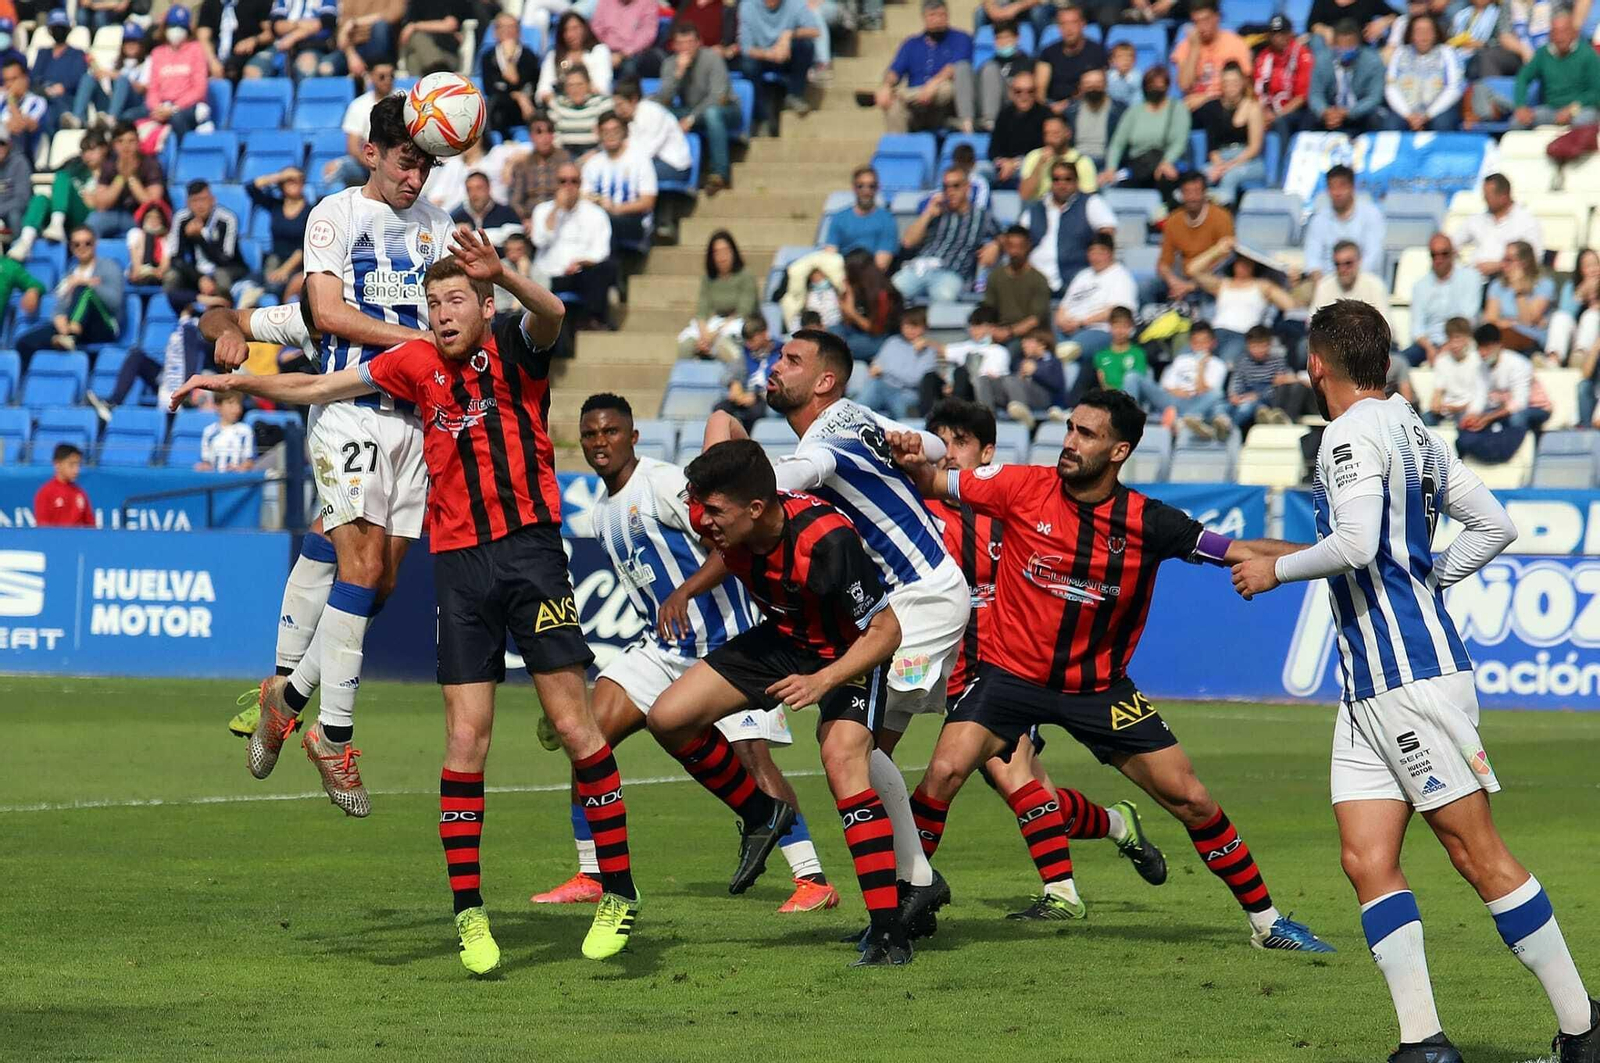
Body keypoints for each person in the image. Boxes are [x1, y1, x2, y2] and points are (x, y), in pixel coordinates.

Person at [175, 233, 644, 974]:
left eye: (456, 299)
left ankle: (618, 890)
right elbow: (323, 388)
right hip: (457, 567)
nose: (442, 313)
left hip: (531, 557)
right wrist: (239, 386)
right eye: (433, 303)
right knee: (464, 743)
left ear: (487, 306)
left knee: (572, 723)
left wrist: (506, 273)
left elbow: (552, 312)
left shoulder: (519, 349)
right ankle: (470, 916)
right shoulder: (415, 362)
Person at [1229, 297, 1599, 1063]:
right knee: (1366, 857)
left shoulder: (1348, 432)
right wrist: (1431, 580)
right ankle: (1423, 1043)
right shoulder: (1414, 430)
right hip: (1371, 687)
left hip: (1410, 679)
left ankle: (1583, 1030)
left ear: (1316, 365)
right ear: (1385, 362)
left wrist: (1276, 569)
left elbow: (1359, 542)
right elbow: (1496, 523)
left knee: (1477, 852)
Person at [887, 389, 1335, 952]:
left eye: (1087, 435)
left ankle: (1268, 925)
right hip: (1009, 678)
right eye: (1070, 429)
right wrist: (910, 458)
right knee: (942, 776)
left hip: (1099, 691)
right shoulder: (1020, 485)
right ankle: (893, 916)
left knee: (1192, 800)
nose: (1070, 443)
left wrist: (1332, 557)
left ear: (1119, 450)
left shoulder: (1150, 520)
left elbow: (1238, 549)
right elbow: (933, 483)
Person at [699, 328, 976, 962]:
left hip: (916, 599)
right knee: (864, 748)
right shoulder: (854, 414)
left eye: (791, 361)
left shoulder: (821, 442)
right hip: (912, 594)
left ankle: (916, 886)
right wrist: (919, 443)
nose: (775, 367)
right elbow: (930, 444)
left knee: (851, 745)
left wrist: (742, 491)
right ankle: (916, 882)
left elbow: (804, 470)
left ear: (825, 380)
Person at [528, 394, 840, 914]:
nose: (599, 442)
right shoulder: (603, 511)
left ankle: (812, 879)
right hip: (661, 649)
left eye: (610, 432)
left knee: (751, 757)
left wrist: (687, 590)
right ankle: (591, 871)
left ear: (633, 437)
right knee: (587, 737)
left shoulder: (666, 484)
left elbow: (729, 545)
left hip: (727, 643)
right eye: (590, 435)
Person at [228, 93, 449, 821]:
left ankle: (283, 694)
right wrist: (413, 345)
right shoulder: (337, 213)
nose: (417, 179)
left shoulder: (439, 226)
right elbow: (323, 314)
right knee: (356, 568)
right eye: (409, 162)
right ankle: (334, 733)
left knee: (379, 585)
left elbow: (449, 314)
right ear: (374, 154)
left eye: (428, 167)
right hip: (350, 407)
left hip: (416, 423)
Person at [637, 438, 908, 964]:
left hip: (848, 653)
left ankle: (888, 930)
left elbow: (886, 630)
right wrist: (689, 589)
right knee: (668, 718)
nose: (702, 520)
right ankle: (764, 813)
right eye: (700, 506)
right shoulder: (734, 524)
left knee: (841, 760)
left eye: (713, 510)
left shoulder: (828, 543)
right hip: (784, 641)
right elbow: (726, 550)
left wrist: (824, 680)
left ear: (757, 509)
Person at [920, 398, 1168, 916]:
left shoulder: (1010, 509)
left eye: (959, 443)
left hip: (1008, 674)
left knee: (1012, 777)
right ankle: (1117, 824)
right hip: (952, 676)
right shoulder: (922, 517)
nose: (947, 453)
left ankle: (1061, 892)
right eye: (938, 441)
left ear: (987, 452)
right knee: (1026, 786)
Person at [893, 166, 1001, 303]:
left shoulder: (982, 217)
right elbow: (908, 242)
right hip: (919, 268)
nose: (950, 191)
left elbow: (1005, 237)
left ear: (967, 188)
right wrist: (927, 214)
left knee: (945, 298)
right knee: (889, 295)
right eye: (946, 187)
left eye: (956, 186)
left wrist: (996, 245)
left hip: (951, 273)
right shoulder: (936, 213)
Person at [16, 226, 124, 362]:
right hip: (70, 327)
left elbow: (115, 302)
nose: (82, 247)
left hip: (103, 326)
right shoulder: (70, 274)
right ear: (71, 248)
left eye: (87, 243)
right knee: (24, 343)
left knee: (82, 290)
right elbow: (60, 306)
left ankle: (70, 337)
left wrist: (87, 283)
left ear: (95, 244)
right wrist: (59, 318)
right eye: (76, 244)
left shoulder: (109, 267)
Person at [656, 19, 740, 195]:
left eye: (689, 43)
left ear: (698, 42)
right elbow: (663, 100)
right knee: (659, 114)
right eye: (680, 43)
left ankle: (719, 173)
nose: (685, 47)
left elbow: (718, 96)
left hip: (725, 110)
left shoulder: (712, 58)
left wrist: (692, 118)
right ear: (674, 45)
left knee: (711, 114)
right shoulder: (670, 64)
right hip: (690, 110)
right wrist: (677, 74)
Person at [1184, 237, 1299, 364]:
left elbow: (1290, 305)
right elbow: (1193, 270)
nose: (1242, 266)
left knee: (1223, 363)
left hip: (1242, 335)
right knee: (1184, 359)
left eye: (1247, 263)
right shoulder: (1222, 284)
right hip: (1216, 332)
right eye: (1239, 261)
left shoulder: (1263, 286)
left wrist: (1290, 281)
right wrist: (1217, 250)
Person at [533, 161, 615, 329]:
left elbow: (601, 251)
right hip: (549, 274)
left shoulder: (595, 213)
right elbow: (539, 240)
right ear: (555, 184)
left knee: (607, 268)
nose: (568, 186)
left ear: (580, 183)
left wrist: (581, 262)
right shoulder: (542, 210)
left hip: (579, 273)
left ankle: (592, 320)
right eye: (562, 181)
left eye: (573, 181)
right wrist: (557, 208)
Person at [1122, 321, 1234, 439]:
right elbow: (1165, 385)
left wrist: (1201, 367)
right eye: (1196, 342)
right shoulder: (1181, 359)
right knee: (1132, 376)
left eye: (1204, 342)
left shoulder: (1218, 365)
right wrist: (1176, 392)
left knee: (1217, 396)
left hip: (1197, 402)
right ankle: (1126, 422)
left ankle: (1182, 420)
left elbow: (1205, 392)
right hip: (1171, 400)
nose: (1200, 346)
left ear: (1213, 343)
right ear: (1191, 343)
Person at [877, 0, 976, 133]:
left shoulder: (961, 38)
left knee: (946, 89)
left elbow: (955, 67)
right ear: (924, 17)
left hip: (943, 101)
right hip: (916, 105)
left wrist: (933, 84)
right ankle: (899, 149)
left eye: (942, 15)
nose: (938, 19)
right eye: (933, 15)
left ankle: (902, 96)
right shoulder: (911, 44)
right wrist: (886, 86)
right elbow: (894, 71)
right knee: (893, 105)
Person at [611, 79, 692, 239]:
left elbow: (644, 153)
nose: (617, 110)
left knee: (634, 176)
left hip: (674, 165)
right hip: (653, 162)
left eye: (620, 105)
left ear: (633, 99)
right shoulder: (630, 118)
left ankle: (650, 225)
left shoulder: (651, 113)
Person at [9, 131, 108, 261]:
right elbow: (55, 171)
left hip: (90, 215)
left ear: (105, 149)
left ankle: (57, 223)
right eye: (84, 151)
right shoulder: (77, 168)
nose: (87, 155)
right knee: (41, 198)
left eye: (92, 150)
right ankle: (26, 241)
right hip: (69, 214)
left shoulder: (111, 170)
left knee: (63, 177)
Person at [1101, 66, 1191, 204]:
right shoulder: (1134, 112)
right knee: (1110, 186)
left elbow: (1179, 141)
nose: (1156, 88)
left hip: (1167, 163)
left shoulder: (1178, 108)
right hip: (1138, 165)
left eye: (1160, 85)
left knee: (1167, 181)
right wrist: (1111, 168)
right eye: (1152, 85)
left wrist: (1166, 162)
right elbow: (1118, 143)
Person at [1023, 162, 1114, 298]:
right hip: (1036, 282)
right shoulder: (1036, 209)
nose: (1062, 184)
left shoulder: (1090, 203)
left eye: (1067, 179)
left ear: (1076, 182)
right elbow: (1019, 238)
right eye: (1056, 179)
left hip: (1077, 282)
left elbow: (1107, 232)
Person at [165, 180, 247, 315]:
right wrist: (199, 277)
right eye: (194, 201)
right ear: (188, 203)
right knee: (171, 276)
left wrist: (200, 238)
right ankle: (184, 319)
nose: (199, 205)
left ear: (212, 200)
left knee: (221, 275)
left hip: (227, 268)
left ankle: (224, 317)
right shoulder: (181, 219)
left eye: (203, 200)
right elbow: (176, 258)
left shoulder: (227, 219)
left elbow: (225, 259)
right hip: (195, 272)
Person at [581, 110, 657, 255]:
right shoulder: (593, 163)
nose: (610, 135)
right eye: (605, 131)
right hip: (598, 218)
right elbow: (583, 196)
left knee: (605, 223)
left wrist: (616, 208)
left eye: (615, 130)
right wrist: (597, 200)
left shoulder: (640, 160)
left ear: (624, 132)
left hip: (634, 222)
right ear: (599, 134)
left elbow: (647, 202)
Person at [1403, 232, 1484, 366]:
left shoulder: (1471, 278)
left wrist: (1447, 347)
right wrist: (1430, 349)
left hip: (1462, 340)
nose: (1439, 259)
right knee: (1397, 363)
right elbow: (1417, 328)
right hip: (1429, 344)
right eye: (1434, 254)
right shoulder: (1420, 286)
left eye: (1444, 253)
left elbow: (1467, 319)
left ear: (1453, 253)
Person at [679, 229, 758, 361]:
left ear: (733, 252)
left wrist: (714, 334)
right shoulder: (708, 279)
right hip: (715, 322)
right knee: (686, 345)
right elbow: (701, 312)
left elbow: (744, 311)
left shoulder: (746, 276)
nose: (722, 257)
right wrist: (704, 335)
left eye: (726, 251)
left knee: (724, 343)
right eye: (717, 252)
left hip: (738, 323)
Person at [1511, 10, 1600, 126]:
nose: (1560, 37)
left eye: (1564, 32)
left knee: (1582, 122)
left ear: (1574, 33)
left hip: (1580, 109)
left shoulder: (1588, 55)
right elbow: (1523, 77)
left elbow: (1596, 92)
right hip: (1551, 110)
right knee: (1517, 122)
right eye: (1555, 32)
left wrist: (1571, 109)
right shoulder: (1543, 54)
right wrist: (1520, 106)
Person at [1055, 232, 1137, 359]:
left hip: (1099, 330)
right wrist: (1061, 321)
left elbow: (1117, 312)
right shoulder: (1083, 275)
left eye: (1101, 252)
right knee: (1041, 340)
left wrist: (1081, 323)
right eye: (1092, 252)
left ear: (1111, 253)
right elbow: (1063, 307)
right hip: (1069, 328)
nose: (1096, 257)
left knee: (1069, 350)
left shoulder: (1121, 277)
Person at [1156, 171, 1234, 302]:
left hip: (1211, 277)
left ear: (1205, 193)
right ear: (1181, 194)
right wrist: (1173, 281)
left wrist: (1192, 285)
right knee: (1148, 288)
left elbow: (1225, 259)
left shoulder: (1221, 217)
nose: (1192, 198)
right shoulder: (1173, 220)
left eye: (1196, 192)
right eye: (1187, 192)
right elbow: (1164, 261)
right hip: (1182, 276)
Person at [1195, 63, 1265, 207]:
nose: (1230, 86)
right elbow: (1212, 147)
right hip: (1220, 158)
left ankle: (1225, 216)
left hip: (1247, 160)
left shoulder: (1253, 108)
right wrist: (1219, 165)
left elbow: (1254, 148)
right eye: (1226, 82)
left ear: (1243, 83)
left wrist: (1230, 165)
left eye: (1235, 82)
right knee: (1201, 176)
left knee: (1230, 176)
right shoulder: (1212, 107)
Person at [1462, 321, 1551, 433]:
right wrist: (1472, 415)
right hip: (1501, 409)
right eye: (1480, 348)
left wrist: (1488, 418)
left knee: (1516, 418)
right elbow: (1479, 395)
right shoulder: (1481, 367)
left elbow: (1519, 403)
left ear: (1499, 345)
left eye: (1487, 348)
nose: (1482, 353)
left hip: (1536, 408)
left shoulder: (1518, 364)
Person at [1449, 173, 1542, 281]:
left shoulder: (1527, 222)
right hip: (1473, 280)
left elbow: (1534, 259)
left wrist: (1500, 266)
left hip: (1507, 282)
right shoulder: (1476, 220)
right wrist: (1462, 269)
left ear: (1504, 196)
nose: (1484, 200)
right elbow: (1450, 244)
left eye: (1488, 196)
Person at [1302, 164, 1386, 282]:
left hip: (1361, 280)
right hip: (1325, 281)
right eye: (1332, 187)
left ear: (1352, 187)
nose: (1337, 192)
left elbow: (1373, 256)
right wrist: (1321, 283)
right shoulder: (1319, 219)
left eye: (1342, 186)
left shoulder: (1372, 214)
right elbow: (1312, 258)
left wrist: (1349, 280)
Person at [1384, 13, 1465, 131]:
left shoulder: (1447, 53)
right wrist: (1408, 115)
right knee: (1390, 125)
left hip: (1438, 111)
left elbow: (1454, 88)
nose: (1424, 35)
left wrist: (1428, 115)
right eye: (1419, 31)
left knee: (1442, 123)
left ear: (1436, 33)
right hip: (1406, 112)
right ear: (1411, 34)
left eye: (1428, 30)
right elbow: (1391, 88)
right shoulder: (1400, 53)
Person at [142, 7, 214, 138]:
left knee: (176, 119)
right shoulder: (157, 53)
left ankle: (185, 154)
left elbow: (199, 90)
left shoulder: (196, 50)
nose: (176, 30)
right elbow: (153, 88)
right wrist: (157, 108)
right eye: (172, 26)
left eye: (181, 27)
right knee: (128, 117)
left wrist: (174, 108)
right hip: (161, 106)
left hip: (188, 107)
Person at [856, 306, 939, 418]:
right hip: (882, 387)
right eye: (906, 325)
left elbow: (916, 380)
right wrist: (881, 371)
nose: (909, 329)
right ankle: (852, 418)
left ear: (924, 327)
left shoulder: (928, 351)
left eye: (914, 325)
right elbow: (875, 367)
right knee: (873, 385)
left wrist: (886, 371)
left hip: (906, 394)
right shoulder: (892, 342)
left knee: (898, 400)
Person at [1225, 325, 1313, 430]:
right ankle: (1222, 424)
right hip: (1246, 395)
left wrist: (1258, 396)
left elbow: (1280, 383)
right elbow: (1237, 380)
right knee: (1223, 406)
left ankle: (1230, 428)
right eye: (1254, 346)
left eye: (1262, 346)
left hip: (1268, 396)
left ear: (1269, 344)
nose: (1258, 350)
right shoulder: (1243, 361)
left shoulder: (1277, 360)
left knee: (1247, 408)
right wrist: (1234, 394)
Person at [1307, 20, 1387, 136]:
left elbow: (1374, 97)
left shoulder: (1373, 61)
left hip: (1360, 113)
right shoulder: (1322, 60)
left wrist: (1349, 112)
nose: (1345, 49)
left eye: (1350, 45)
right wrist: (1324, 112)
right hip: (1331, 113)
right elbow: (1315, 94)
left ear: (1358, 44)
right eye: (1341, 45)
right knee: (1309, 117)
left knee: (1375, 117)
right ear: (1333, 44)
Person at [1173, 0, 1253, 112]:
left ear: (1217, 17)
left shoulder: (1236, 44)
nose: (1201, 26)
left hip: (1227, 104)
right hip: (1194, 107)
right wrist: (1194, 50)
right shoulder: (1186, 45)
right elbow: (1184, 86)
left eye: (1206, 20)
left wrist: (1207, 99)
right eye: (1197, 22)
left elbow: (1245, 87)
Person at [981, 225, 1051, 350]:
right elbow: (988, 309)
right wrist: (991, 330)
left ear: (1028, 247)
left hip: (1029, 336)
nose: (1014, 252)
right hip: (998, 332)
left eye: (1019, 247)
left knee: (1011, 350)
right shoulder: (995, 276)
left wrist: (1009, 332)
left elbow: (1034, 320)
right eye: (1010, 247)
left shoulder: (1039, 280)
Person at [247, 168, 312, 300]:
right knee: (248, 284)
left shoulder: (311, 210)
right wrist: (278, 176)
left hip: (298, 264)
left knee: (273, 288)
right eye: (290, 180)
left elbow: (304, 246)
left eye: (299, 180)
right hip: (275, 259)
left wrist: (285, 269)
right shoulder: (276, 206)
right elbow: (251, 188)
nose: (295, 183)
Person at [70, 21, 149, 128]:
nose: (130, 45)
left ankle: (112, 118)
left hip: (133, 104)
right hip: (112, 101)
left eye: (134, 42)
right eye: (127, 42)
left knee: (122, 80)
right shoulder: (114, 62)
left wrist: (117, 76)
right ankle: (77, 118)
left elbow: (143, 89)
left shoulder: (148, 62)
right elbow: (106, 85)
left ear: (141, 44)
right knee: (89, 77)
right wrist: (98, 73)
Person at [1483, 240, 1555, 353]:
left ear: (1524, 262)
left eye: (1508, 260)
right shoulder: (1497, 285)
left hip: (1530, 339)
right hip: (1502, 336)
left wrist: (1519, 292)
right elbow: (1490, 319)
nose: (1503, 264)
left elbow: (1528, 320)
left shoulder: (1544, 284)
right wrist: (1511, 323)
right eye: (1503, 259)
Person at [1254, 14, 1314, 150]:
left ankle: (1285, 164)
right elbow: (1258, 91)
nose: (1278, 38)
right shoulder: (1264, 57)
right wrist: (1264, 112)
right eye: (1274, 34)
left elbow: (1301, 97)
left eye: (1282, 33)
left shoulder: (1302, 55)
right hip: (1270, 110)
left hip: (1296, 111)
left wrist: (1277, 115)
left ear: (1290, 33)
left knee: (1282, 122)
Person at [825, 166, 898, 272]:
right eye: (861, 186)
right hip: (842, 274)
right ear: (854, 188)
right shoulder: (839, 218)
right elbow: (830, 255)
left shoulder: (887, 220)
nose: (866, 191)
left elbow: (882, 263)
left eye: (871, 186)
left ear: (877, 188)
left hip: (872, 277)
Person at [29, 9, 89, 137]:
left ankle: (68, 120)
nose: (58, 31)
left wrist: (63, 87)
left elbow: (79, 78)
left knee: (55, 114)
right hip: (44, 97)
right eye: (55, 27)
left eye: (61, 28)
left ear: (69, 30)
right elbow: (34, 77)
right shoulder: (43, 53)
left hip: (66, 99)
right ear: (49, 30)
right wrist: (46, 89)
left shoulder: (77, 53)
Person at [1312, 239, 1394, 332]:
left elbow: (1386, 327)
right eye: (1337, 264)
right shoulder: (1324, 286)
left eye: (1348, 263)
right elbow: (1313, 324)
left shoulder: (1375, 285)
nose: (1342, 269)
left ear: (1359, 261)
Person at [1034, 4, 1105, 111]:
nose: (1068, 29)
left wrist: (1066, 105)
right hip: (1052, 105)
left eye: (1073, 23)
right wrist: (1047, 110)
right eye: (1063, 24)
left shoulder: (1097, 52)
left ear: (1083, 24)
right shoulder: (1048, 53)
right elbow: (1040, 90)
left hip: (1084, 105)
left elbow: (1094, 87)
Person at [714, 316, 780, 427]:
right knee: (720, 410)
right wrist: (733, 384)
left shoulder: (780, 352)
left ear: (764, 334)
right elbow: (729, 373)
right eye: (747, 341)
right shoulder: (745, 354)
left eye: (752, 340)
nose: (749, 345)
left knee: (754, 413)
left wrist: (757, 395)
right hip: (743, 395)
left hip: (764, 398)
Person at [537, 12, 614, 106]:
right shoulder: (554, 56)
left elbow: (603, 87)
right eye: (566, 30)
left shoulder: (599, 52)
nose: (571, 34)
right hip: (560, 107)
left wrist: (578, 91)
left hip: (594, 105)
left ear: (585, 29)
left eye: (575, 28)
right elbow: (543, 89)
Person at [837, 250, 901, 362]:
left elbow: (876, 329)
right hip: (857, 330)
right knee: (827, 335)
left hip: (881, 337)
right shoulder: (857, 287)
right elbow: (846, 321)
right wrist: (849, 293)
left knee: (837, 348)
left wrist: (852, 314)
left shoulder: (883, 294)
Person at [483, 13, 541, 137]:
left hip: (524, 115)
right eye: (503, 27)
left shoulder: (528, 56)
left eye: (512, 27)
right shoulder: (488, 57)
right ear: (495, 32)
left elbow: (525, 83)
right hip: (499, 114)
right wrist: (517, 96)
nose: (508, 31)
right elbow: (490, 89)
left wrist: (511, 62)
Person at [1019, 113, 1098, 202]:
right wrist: (1040, 163)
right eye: (1047, 133)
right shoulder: (1034, 156)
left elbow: (1089, 200)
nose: (1050, 138)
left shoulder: (1083, 161)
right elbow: (1024, 195)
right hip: (1039, 210)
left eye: (1056, 133)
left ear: (1068, 133)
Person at [988, 71, 1047, 188]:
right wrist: (1003, 162)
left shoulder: (1046, 115)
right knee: (979, 171)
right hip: (1003, 166)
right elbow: (993, 149)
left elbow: (1042, 150)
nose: (1024, 96)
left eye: (1030, 91)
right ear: (1011, 93)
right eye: (1018, 91)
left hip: (1031, 166)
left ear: (1036, 92)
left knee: (1029, 172)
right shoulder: (1004, 114)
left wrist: (1014, 163)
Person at [509, 111, 573, 219]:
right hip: (530, 218)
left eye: (549, 132)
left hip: (560, 216)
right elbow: (516, 201)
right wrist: (525, 220)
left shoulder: (564, 160)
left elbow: (569, 193)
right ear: (531, 136)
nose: (545, 137)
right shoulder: (523, 164)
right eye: (539, 132)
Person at [1422, 316, 1484, 425]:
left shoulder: (1478, 361)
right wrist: (1435, 405)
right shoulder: (1442, 360)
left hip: (1470, 410)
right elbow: (1438, 391)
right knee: (1424, 419)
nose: (1454, 344)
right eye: (1450, 339)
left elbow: (1479, 396)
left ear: (1468, 338)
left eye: (1458, 338)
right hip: (1447, 410)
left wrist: (1459, 408)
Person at [1061, 69, 1122, 176]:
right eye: (1088, 83)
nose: (1093, 87)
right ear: (1081, 87)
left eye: (1098, 83)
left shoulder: (1119, 110)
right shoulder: (1070, 111)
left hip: (1107, 162)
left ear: (1105, 85)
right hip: (1076, 161)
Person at [1546, 247, 1600, 365]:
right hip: (1572, 338)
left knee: (1591, 315)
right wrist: (1581, 294)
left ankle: (1581, 357)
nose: (1594, 270)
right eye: (1588, 266)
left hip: (1594, 343)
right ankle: (1553, 359)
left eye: (1596, 265)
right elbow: (1565, 312)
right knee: (1560, 317)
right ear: (1580, 269)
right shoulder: (1571, 287)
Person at [978, 21, 1033, 130]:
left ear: (1017, 38)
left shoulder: (1027, 62)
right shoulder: (990, 63)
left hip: (1012, 104)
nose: (1002, 42)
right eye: (998, 38)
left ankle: (992, 122)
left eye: (1007, 38)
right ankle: (980, 121)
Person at [269, 0, 341, 79]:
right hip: (280, 47)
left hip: (314, 46)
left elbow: (327, 22)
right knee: (258, 69)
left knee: (306, 66)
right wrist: (300, 24)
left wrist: (294, 36)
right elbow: (277, 26)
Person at [451, 171, 522, 250]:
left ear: (489, 188)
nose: (474, 194)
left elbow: (516, 236)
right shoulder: (457, 216)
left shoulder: (506, 213)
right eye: (470, 189)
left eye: (479, 188)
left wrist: (470, 236)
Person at [332, 0, 402, 78]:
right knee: (327, 68)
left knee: (380, 27)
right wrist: (351, 55)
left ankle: (376, 72)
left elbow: (394, 14)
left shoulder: (355, 22)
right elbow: (343, 31)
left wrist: (357, 22)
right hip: (355, 48)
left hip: (384, 47)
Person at [593, 0, 660, 80]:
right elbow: (596, 29)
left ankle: (625, 91)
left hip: (634, 52)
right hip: (606, 49)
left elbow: (647, 34)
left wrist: (623, 54)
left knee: (630, 67)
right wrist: (606, 52)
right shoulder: (605, 2)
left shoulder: (648, 2)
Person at [550, 67, 612, 154]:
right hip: (565, 154)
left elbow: (609, 134)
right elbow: (552, 136)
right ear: (565, 88)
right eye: (571, 85)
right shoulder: (557, 105)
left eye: (580, 84)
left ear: (588, 85)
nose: (575, 89)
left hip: (595, 152)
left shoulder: (603, 103)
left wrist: (595, 152)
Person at [33, 443, 93, 526]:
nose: (76, 470)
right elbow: (42, 528)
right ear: (57, 464)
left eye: (78, 465)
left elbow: (91, 526)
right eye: (71, 465)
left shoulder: (80, 493)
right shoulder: (45, 493)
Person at [196, 391, 257, 472]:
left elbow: (249, 461)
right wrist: (204, 466)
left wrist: (240, 468)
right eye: (230, 403)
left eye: (239, 404)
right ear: (218, 406)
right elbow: (205, 460)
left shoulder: (245, 431)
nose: (236, 408)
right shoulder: (209, 431)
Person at [398, 0, 461, 75]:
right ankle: (437, 72)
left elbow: (450, 25)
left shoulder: (452, 3)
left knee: (414, 55)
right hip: (435, 64)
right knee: (416, 42)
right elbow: (404, 37)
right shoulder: (415, 4)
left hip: (446, 55)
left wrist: (415, 26)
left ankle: (434, 74)